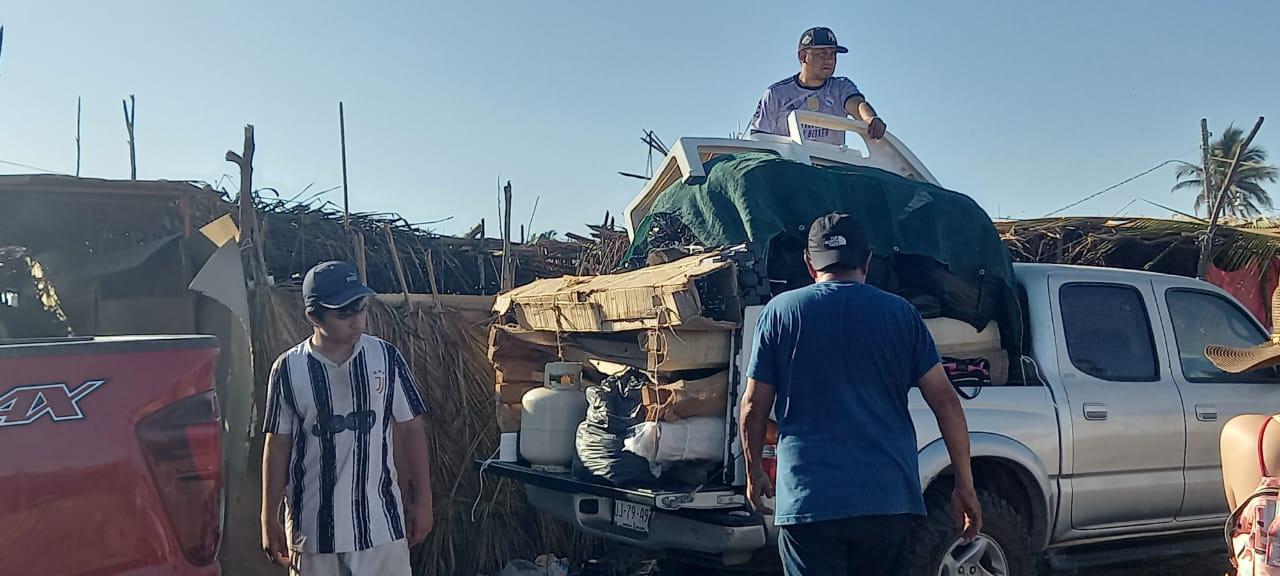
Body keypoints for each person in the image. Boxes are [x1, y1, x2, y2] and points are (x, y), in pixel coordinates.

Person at [740, 213, 981, 575]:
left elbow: (753, 406)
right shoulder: (902, 314)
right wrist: (965, 483)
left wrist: (753, 468)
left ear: (810, 264)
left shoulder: (781, 314)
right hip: (887, 499)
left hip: (810, 500)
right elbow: (946, 403)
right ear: (867, 260)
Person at [260, 261, 433, 576]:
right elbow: (278, 442)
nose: (357, 322)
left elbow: (411, 429)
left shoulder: (386, 358)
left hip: (381, 528)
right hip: (312, 532)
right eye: (344, 314)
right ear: (314, 316)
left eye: (361, 309)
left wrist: (422, 501)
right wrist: (267, 518)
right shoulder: (288, 369)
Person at [750, 27, 887, 145]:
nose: (829, 59)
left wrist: (870, 118)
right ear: (803, 56)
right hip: (788, 168)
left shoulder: (841, 87)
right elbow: (759, 138)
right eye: (822, 53)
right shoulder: (776, 94)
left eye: (833, 54)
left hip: (828, 170)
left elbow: (856, 104)